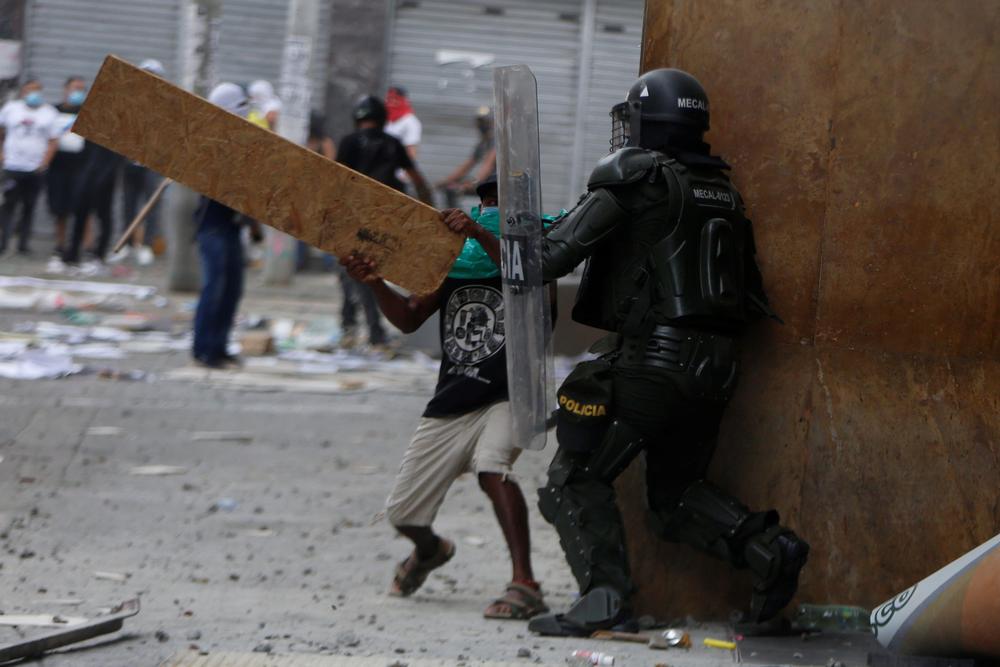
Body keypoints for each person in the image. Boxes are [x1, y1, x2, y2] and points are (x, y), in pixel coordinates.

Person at [527, 68, 810, 637]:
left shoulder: (638, 176)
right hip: (716, 369)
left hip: (653, 363)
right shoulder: (723, 191)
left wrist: (505, 240)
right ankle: (767, 547)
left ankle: (603, 601)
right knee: (675, 497)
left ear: (649, 121)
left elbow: (548, 258)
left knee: (573, 478)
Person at [339, 174, 548, 620]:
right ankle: (430, 551)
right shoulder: (459, 264)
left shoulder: (538, 261)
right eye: (485, 202)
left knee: (493, 468)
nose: (489, 209)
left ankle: (525, 584)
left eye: (499, 204)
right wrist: (375, 282)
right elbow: (411, 318)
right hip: (455, 396)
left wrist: (481, 234)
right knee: (403, 514)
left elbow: (527, 286)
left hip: (511, 392)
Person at [335, 95, 432, 346]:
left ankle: (355, 327)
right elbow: (417, 179)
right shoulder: (393, 143)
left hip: (352, 219)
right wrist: (429, 213)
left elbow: (334, 181)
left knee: (352, 273)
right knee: (371, 273)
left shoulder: (348, 142)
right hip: (384, 221)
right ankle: (369, 329)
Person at [192, 82, 260, 369]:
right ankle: (204, 349)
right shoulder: (213, 145)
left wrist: (253, 226)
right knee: (214, 287)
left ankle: (219, 347)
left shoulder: (238, 144)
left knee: (232, 289)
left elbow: (246, 193)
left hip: (232, 228)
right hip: (213, 227)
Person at [117, 59, 168, 266]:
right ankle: (128, 245)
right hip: (129, 162)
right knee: (128, 204)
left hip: (152, 164)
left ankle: (147, 245)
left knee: (151, 206)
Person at [0, 78, 59, 256]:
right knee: (8, 206)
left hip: (34, 169)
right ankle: (4, 242)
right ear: (23, 91)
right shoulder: (11, 109)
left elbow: (53, 141)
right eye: (30, 90)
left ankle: (23, 244)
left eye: (36, 90)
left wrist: (45, 162)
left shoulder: (49, 112)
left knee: (29, 207)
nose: (33, 93)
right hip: (12, 166)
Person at [46, 76, 87, 260]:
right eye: (75, 88)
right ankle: (60, 245)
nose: (78, 92)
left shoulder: (87, 113)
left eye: (82, 89)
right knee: (59, 209)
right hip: (58, 166)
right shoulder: (53, 111)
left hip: (80, 167)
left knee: (83, 209)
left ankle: (85, 246)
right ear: (66, 89)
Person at [436, 106, 495, 206]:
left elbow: (488, 165)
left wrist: (474, 182)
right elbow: (467, 165)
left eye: (484, 122)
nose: (482, 125)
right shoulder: (483, 143)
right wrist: (446, 181)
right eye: (480, 122)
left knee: (457, 190)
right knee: (450, 188)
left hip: (496, 183)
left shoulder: (496, 140)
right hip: (486, 181)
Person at [384, 85, 421, 192]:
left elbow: (411, 150)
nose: (392, 102)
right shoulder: (384, 119)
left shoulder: (410, 122)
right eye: (389, 99)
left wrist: (405, 174)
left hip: (398, 175)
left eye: (396, 99)